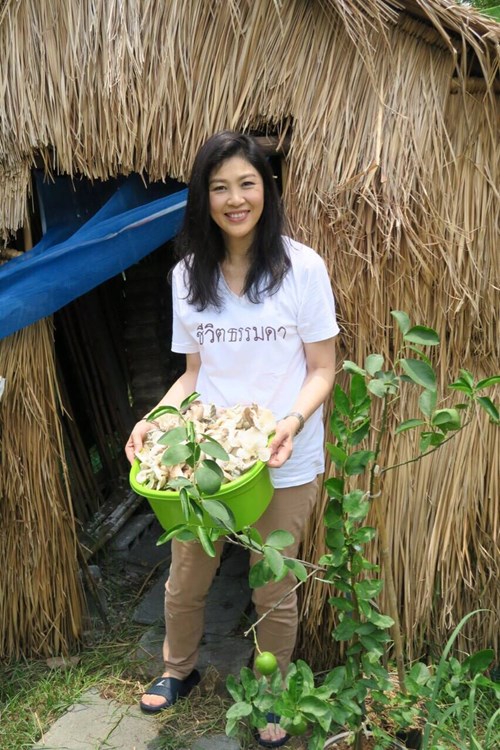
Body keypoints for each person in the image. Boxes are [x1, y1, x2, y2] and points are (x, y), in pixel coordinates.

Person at [125, 131, 339, 747]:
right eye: (219, 188)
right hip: (209, 458)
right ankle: (178, 669)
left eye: (247, 184)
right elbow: (193, 374)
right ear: (204, 199)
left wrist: (290, 422)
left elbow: (323, 368)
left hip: (281, 454)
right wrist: (155, 420)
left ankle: (274, 695)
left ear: (267, 190)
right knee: (187, 574)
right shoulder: (187, 276)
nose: (235, 199)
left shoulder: (302, 268)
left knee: (273, 583)